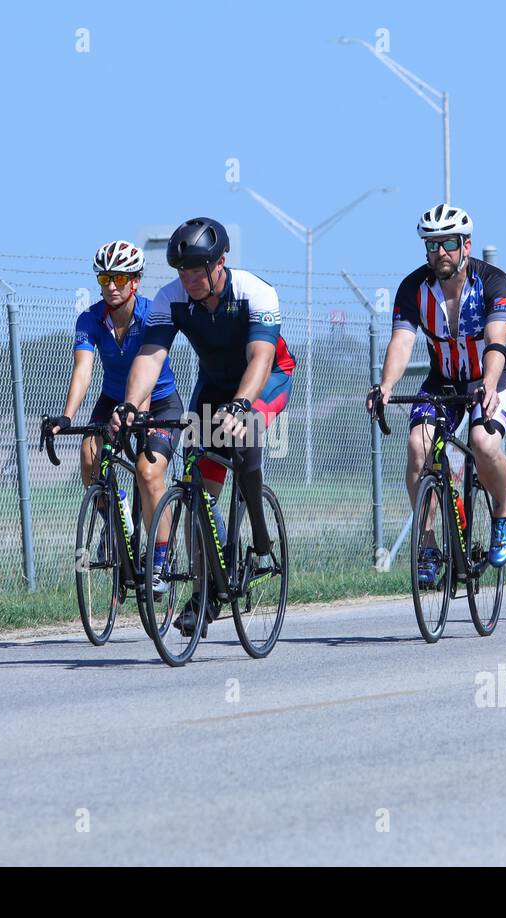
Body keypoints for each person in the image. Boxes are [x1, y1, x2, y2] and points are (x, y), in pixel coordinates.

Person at [115, 217, 295, 636]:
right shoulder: (170, 298)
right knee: (198, 490)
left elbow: (261, 358)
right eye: (183, 271)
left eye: (198, 270)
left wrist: (242, 404)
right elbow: (151, 357)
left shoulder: (255, 292)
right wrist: (129, 404)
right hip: (213, 388)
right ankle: (207, 590)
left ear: (221, 263)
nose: (189, 279)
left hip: (266, 379)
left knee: (245, 440)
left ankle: (262, 542)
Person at [368, 204, 506, 588]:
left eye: (449, 243)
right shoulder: (413, 289)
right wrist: (387, 384)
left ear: (466, 245)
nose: (440, 252)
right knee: (418, 446)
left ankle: (503, 516)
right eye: (432, 244)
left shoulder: (493, 282)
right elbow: (402, 342)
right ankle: (428, 545)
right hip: (444, 379)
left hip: (493, 373)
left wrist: (488, 384)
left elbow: (496, 340)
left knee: (482, 442)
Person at [48, 240, 184, 593]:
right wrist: (66, 415)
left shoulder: (153, 314)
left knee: (148, 472)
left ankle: (160, 560)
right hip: (112, 399)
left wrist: (135, 414)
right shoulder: (90, 319)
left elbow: (149, 373)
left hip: (159, 402)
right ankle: (115, 511)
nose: (111, 286)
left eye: (120, 279)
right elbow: (83, 370)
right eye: (105, 278)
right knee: (89, 455)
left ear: (135, 282)